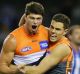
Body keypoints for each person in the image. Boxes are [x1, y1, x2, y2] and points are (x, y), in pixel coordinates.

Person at [0, 2, 48, 74]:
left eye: (38, 18)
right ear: (25, 17)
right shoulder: (12, 40)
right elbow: (1, 67)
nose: (35, 22)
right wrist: (15, 71)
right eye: (32, 18)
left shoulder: (46, 32)